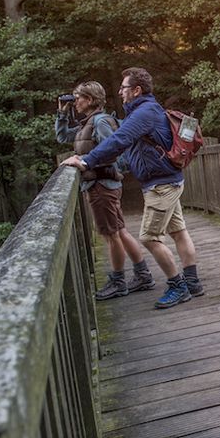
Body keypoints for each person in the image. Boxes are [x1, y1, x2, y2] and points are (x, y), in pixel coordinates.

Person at [60, 67, 203, 309]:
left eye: (124, 87)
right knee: (178, 231)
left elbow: (119, 140)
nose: (120, 91)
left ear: (136, 90)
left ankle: (178, 286)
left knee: (149, 237)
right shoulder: (145, 110)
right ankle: (193, 282)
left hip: (161, 184)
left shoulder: (144, 112)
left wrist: (86, 161)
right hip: (166, 179)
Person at [56, 81, 154, 300]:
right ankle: (143, 274)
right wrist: (62, 114)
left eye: (78, 98)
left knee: (111, 235)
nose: (76, 102)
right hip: (103, 185)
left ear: (89, 100)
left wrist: (83, 160)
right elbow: (62, 137)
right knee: (118, 231)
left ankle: (119, 281)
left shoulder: (99, 122)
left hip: (102, 186)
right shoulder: (87, 124)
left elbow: (114, 152)